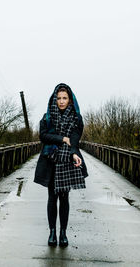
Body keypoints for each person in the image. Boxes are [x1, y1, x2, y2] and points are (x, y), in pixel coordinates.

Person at [34, 83, 88, 247]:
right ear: (54, 99)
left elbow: (75, 139)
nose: (62, 101)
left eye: (65, 98)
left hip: (67, 161)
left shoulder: (76, 118)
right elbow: (43, 136)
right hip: (50, 160)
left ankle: (63, 233)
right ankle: (52, 233)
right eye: (59, 98)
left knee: (64, 198)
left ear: (70, 100)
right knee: (52, 197)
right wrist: (62, 139)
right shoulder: (47, 117)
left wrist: (73, 153)